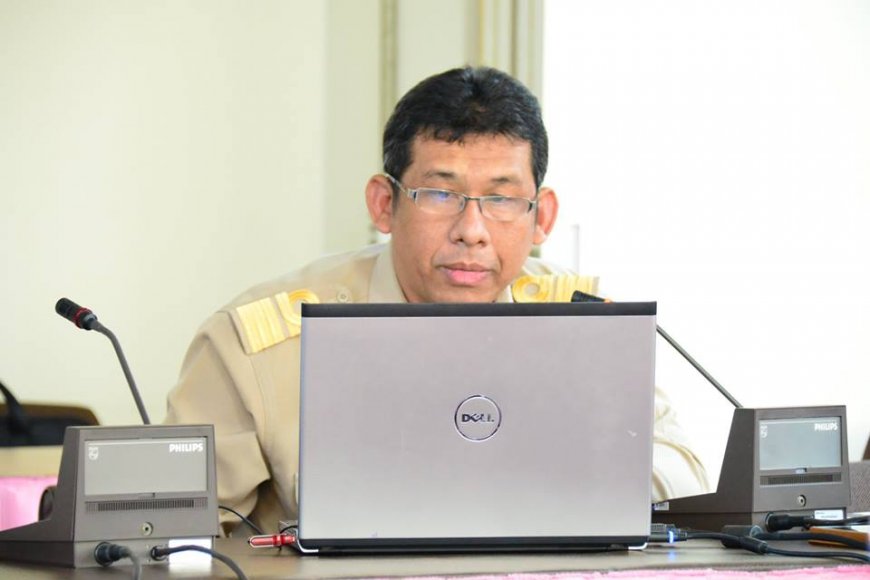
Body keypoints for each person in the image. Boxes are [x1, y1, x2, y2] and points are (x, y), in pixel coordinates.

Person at [165, 66, 709, 534]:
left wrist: (558, 481)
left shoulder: (585, 320)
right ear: (384, 204)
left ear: (541, 217)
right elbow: (175, 534)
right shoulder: (258, 344)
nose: (472, 231)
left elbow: (683, 477)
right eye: (440, 194)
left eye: (501, 198)